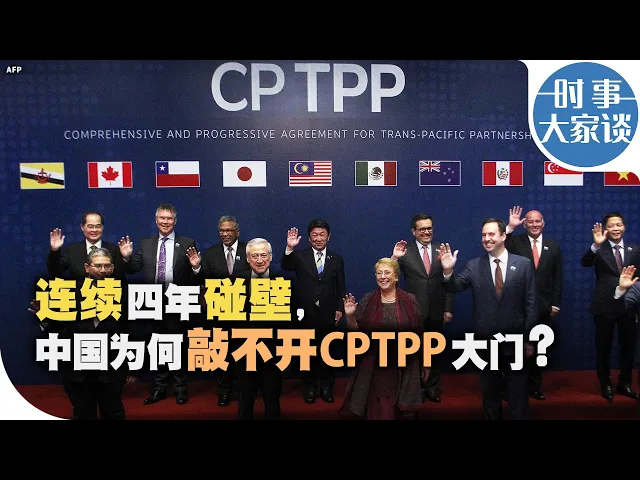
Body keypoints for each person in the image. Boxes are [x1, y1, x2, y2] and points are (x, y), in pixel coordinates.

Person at [439, 218, 538, 420]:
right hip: (486, 340)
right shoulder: (474, 265)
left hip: (516, 340)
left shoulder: (523, 264)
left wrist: (530, 339)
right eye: (483, 235)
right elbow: (454, 287)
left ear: (503, 236)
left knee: (518, 393)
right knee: (490, 392)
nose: (486, 238)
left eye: (491, 234)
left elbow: (531, 304)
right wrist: (448, 271)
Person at [30, 248, 133, 420]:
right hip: (78, 372)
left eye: (107, 266)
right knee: (83, 414)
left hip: (112, 370)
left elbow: (129, 332)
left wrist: (132, 367)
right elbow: (58, 330)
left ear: (113, 268)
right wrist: (46, 319)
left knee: (113, 413)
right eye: (98, 265)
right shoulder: (68, 293)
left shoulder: (124, 295)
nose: (103, 270)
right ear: (87, 268)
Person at [118, 203, 200, 406]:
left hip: (177, 301)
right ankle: (159, 389)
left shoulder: (187, 242)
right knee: (156, 346)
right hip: (151, 301)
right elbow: (133, 268)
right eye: (162, 218)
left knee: (178, 347)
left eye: (169, 218)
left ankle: (180, 389)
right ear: (156, 220)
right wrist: (126, 258)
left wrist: (196, 267)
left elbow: (195, 277)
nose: (165, 221)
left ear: (175, 221)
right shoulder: (146, 243)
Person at [340, 257, 426, 420]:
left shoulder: (410, 300)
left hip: (404, 363)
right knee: (382, 406)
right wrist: (350, 316)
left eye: (387, 272)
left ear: (396, 276)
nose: (383, 277)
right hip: (376, 363)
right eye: (379, 273)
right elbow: (356, 335)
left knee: (402, 406)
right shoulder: (368, 300)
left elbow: (419, 333)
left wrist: (425, 363)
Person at [281, 219, 346, 404]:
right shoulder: (300, 256)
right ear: (309, 238)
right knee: (306, 352)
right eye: (315, 235)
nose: (318, 238)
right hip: (305, 313)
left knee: (328, 351)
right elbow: (286, 265)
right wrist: (289, 247)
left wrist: (339, 308)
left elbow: (341, 286)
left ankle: (326, 387)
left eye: (322, 234)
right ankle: (309, 388)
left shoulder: (336, 258)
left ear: (328, 236)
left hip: (328, 312)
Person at [391, 213, 454, 403]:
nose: (426, 232)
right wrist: (394, 258)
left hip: (436, 310)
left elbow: (449, 281)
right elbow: (388, 276)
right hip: (413, 310)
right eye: (422, 229)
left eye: (429, 228)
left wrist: (448, 308)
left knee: (433, 349)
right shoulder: (405, 251)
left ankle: (432, 388)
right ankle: (414, 389)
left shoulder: (442, 249)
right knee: (413, 352)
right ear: (414, 231)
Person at [580, 212, 640, 403]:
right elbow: (585, 262)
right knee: (603, 347)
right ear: (606, 229)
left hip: (628, 306)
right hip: (604, 305)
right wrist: (596, 245)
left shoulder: (634, 250)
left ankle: (625, 383)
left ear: (624, 227)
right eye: (612, 225)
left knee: (628, 347)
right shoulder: (600, 249)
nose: (616, 228)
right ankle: (605, 384)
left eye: (619, 225)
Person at [505, 206, 562, 401]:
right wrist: (510, 228)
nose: (534, 224)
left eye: (538, 221)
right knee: (515, 346)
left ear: (543, 223)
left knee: (539, 348)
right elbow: (497, 247)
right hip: (517, 304)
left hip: (543, 306)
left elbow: (557, 278)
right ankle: (511, 387)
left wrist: (555, 304)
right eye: (530, 221)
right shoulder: (515, 242)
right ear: (525, 224)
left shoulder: (553, 246)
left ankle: (534, 386)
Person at [194, 215, 251, 407]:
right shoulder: (211, 253)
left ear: (237, 231)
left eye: (229, 230)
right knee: (222, 352)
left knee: (243, 352)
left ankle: (244, 390)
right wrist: (196, 268)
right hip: (220, 311)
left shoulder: (248, 250)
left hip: (244, 311)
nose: (225, 234)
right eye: (221, 230)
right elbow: (203, 282)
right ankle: (224, 390)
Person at [234, 237, 292, 420]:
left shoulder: (284, 281)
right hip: (245, 350)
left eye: (264, 255)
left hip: (273, 352)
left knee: (272, 400)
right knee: (245, 401)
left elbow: (291, 319)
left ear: (271, 257)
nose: (259, 260)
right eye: (255, 256)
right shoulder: (235, 281)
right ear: (247, 259)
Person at [47, 211, 126, 282]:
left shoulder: (114, 250)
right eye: (90, 226)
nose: (94, 230)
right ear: (82, 227)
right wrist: (55, 250)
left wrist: (126, 257)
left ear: (102, 227)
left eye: (98, 226)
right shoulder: (72, 250)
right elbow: (55, 272)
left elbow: (123, 276)